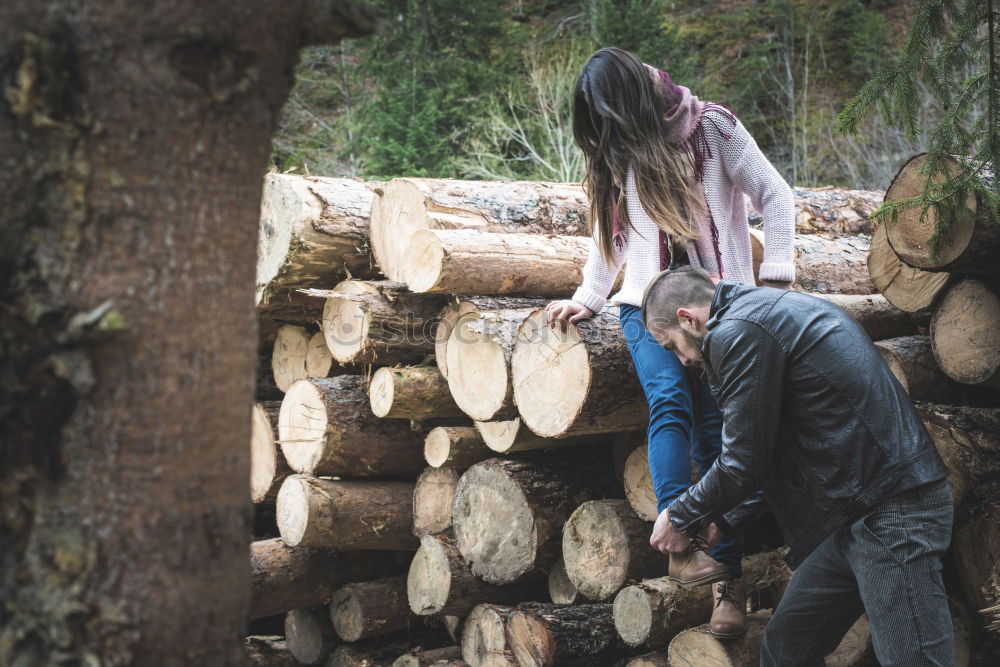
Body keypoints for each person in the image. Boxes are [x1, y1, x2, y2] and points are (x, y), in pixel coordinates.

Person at [545, 47, 796, 638]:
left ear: (634, 97)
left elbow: (776, 195)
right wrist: (591, 295)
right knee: (668, 401)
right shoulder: (616, 146)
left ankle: (724, 586)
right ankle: (681, 538)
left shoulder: (714, 128)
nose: (603, 128)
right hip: (642, 305)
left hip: (716, 305)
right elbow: (607, 239)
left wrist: (777, 281)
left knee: (717, 428)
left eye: (608, 112)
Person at [641, 266, 954, 666]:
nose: (682, 360)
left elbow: (743, 462)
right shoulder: (759, 316)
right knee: (789, 646)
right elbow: (770, 448)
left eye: (671, 347)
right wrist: (725, 518)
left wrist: (679, 516)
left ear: (688, 318)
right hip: (853, 516)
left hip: (892, 514)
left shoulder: (739, 332)